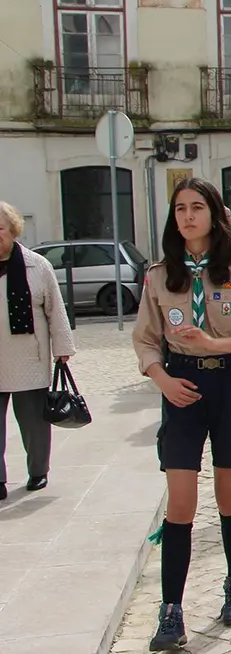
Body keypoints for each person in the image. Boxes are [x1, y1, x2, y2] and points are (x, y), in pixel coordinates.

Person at [132, 178, 231, 649]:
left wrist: (218, 344)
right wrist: (163, 380)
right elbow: (144, 339)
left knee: (227, 496)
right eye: (180, 209)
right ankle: (170, 609)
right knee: (180, 503)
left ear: (213, 215)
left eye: (197, 207)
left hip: (229, 384)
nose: (187, 216)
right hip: (180, 387)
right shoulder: (160, 275)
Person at [0, 202, 74, 502]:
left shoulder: (36, 265)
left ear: (13, 230)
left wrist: (62, 347)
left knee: (32, 421)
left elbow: (55, 309)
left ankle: (38, 470)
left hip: (28, 356)